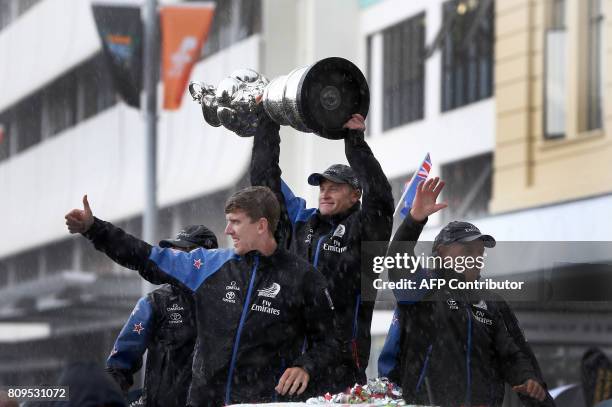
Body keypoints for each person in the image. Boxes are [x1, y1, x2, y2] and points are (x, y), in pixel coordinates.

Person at [65, 187, 339, 406]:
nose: (227, 231)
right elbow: (147, 256)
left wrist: (306, 366)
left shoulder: (304, 277)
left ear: (261, 225)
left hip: (265, 402)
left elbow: (330, 341)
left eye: (235, 222)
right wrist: (94, 229)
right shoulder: (209, 265)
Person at [250, 113, 394, 393]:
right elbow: (265, 184)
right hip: (290, 361)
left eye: (335, 188)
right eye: (322, 188)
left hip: (340, 364)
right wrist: (267, 122)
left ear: (355, 195)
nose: (325, 194)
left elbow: (379, 194)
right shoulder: (301, 221)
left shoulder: (365, 230)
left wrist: (355, 142)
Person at [383, 177, 549, 406]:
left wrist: (528, 379)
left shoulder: (490, 302)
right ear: (440, 253)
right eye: (467, 250)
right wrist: (414, 221)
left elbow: (511, 355)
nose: (476, 258)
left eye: (480, 252)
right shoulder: (424, 287)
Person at [106, 225, 219, 407]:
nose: (172, 257)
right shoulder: (155, 303)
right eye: (171, 251)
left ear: (203, 258)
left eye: (180, 252)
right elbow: (119, 366)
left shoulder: (229, 302)